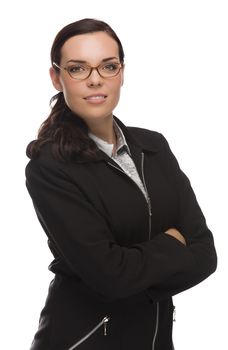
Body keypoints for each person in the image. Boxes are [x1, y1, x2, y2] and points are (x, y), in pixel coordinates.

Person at [25, 18, 217, 350]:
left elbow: (205, 253)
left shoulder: (154, 147)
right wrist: (174, 245)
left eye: (108, 66)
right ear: (57, 78)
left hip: (155, 340)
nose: (95, 80)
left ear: (122, 72)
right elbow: (110, 276)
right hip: (82, 340)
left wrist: (132, 274)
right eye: (78, 69)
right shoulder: (50, 167)